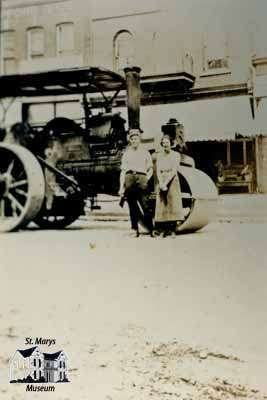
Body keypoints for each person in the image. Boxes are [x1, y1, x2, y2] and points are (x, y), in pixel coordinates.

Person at [119, 128, 154, 237]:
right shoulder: (126, 153)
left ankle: (151, 229)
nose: (134, 141)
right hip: (129, 179)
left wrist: (146, 179)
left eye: (136, 139)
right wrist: (121, 187)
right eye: (132, 139)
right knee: (132, 207)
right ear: (130, 140)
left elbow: (150, 169)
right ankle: (135, 229)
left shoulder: (145, 153)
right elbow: (123, 171)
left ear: (139, 140)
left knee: (145, 205)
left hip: (141, 178)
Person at [154, 135, 184, 238]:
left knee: (173, 203)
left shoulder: (176, 155)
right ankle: (163, 230)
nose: (165, 144)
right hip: (161, 179)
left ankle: (172, 230)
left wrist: (166, 183)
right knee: (162, 205)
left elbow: (174, 170)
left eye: (167, 142)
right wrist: (161, 183)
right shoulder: (159, 155)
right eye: (163, 143)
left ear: (171, 143)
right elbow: (158, 170)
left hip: (172, 180)